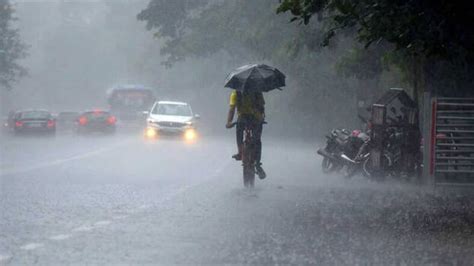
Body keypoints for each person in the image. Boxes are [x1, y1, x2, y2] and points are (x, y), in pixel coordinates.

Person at [226, 90, 266, 179]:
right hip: (255, 119)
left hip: (243, 119)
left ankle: (240, 152)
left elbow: (232, 109)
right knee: (257, 139)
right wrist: (261, 117)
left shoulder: (235, 93)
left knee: (239, 132)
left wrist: (229, 122)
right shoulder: (257, 91)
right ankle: (258, 164)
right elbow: (262, 107)